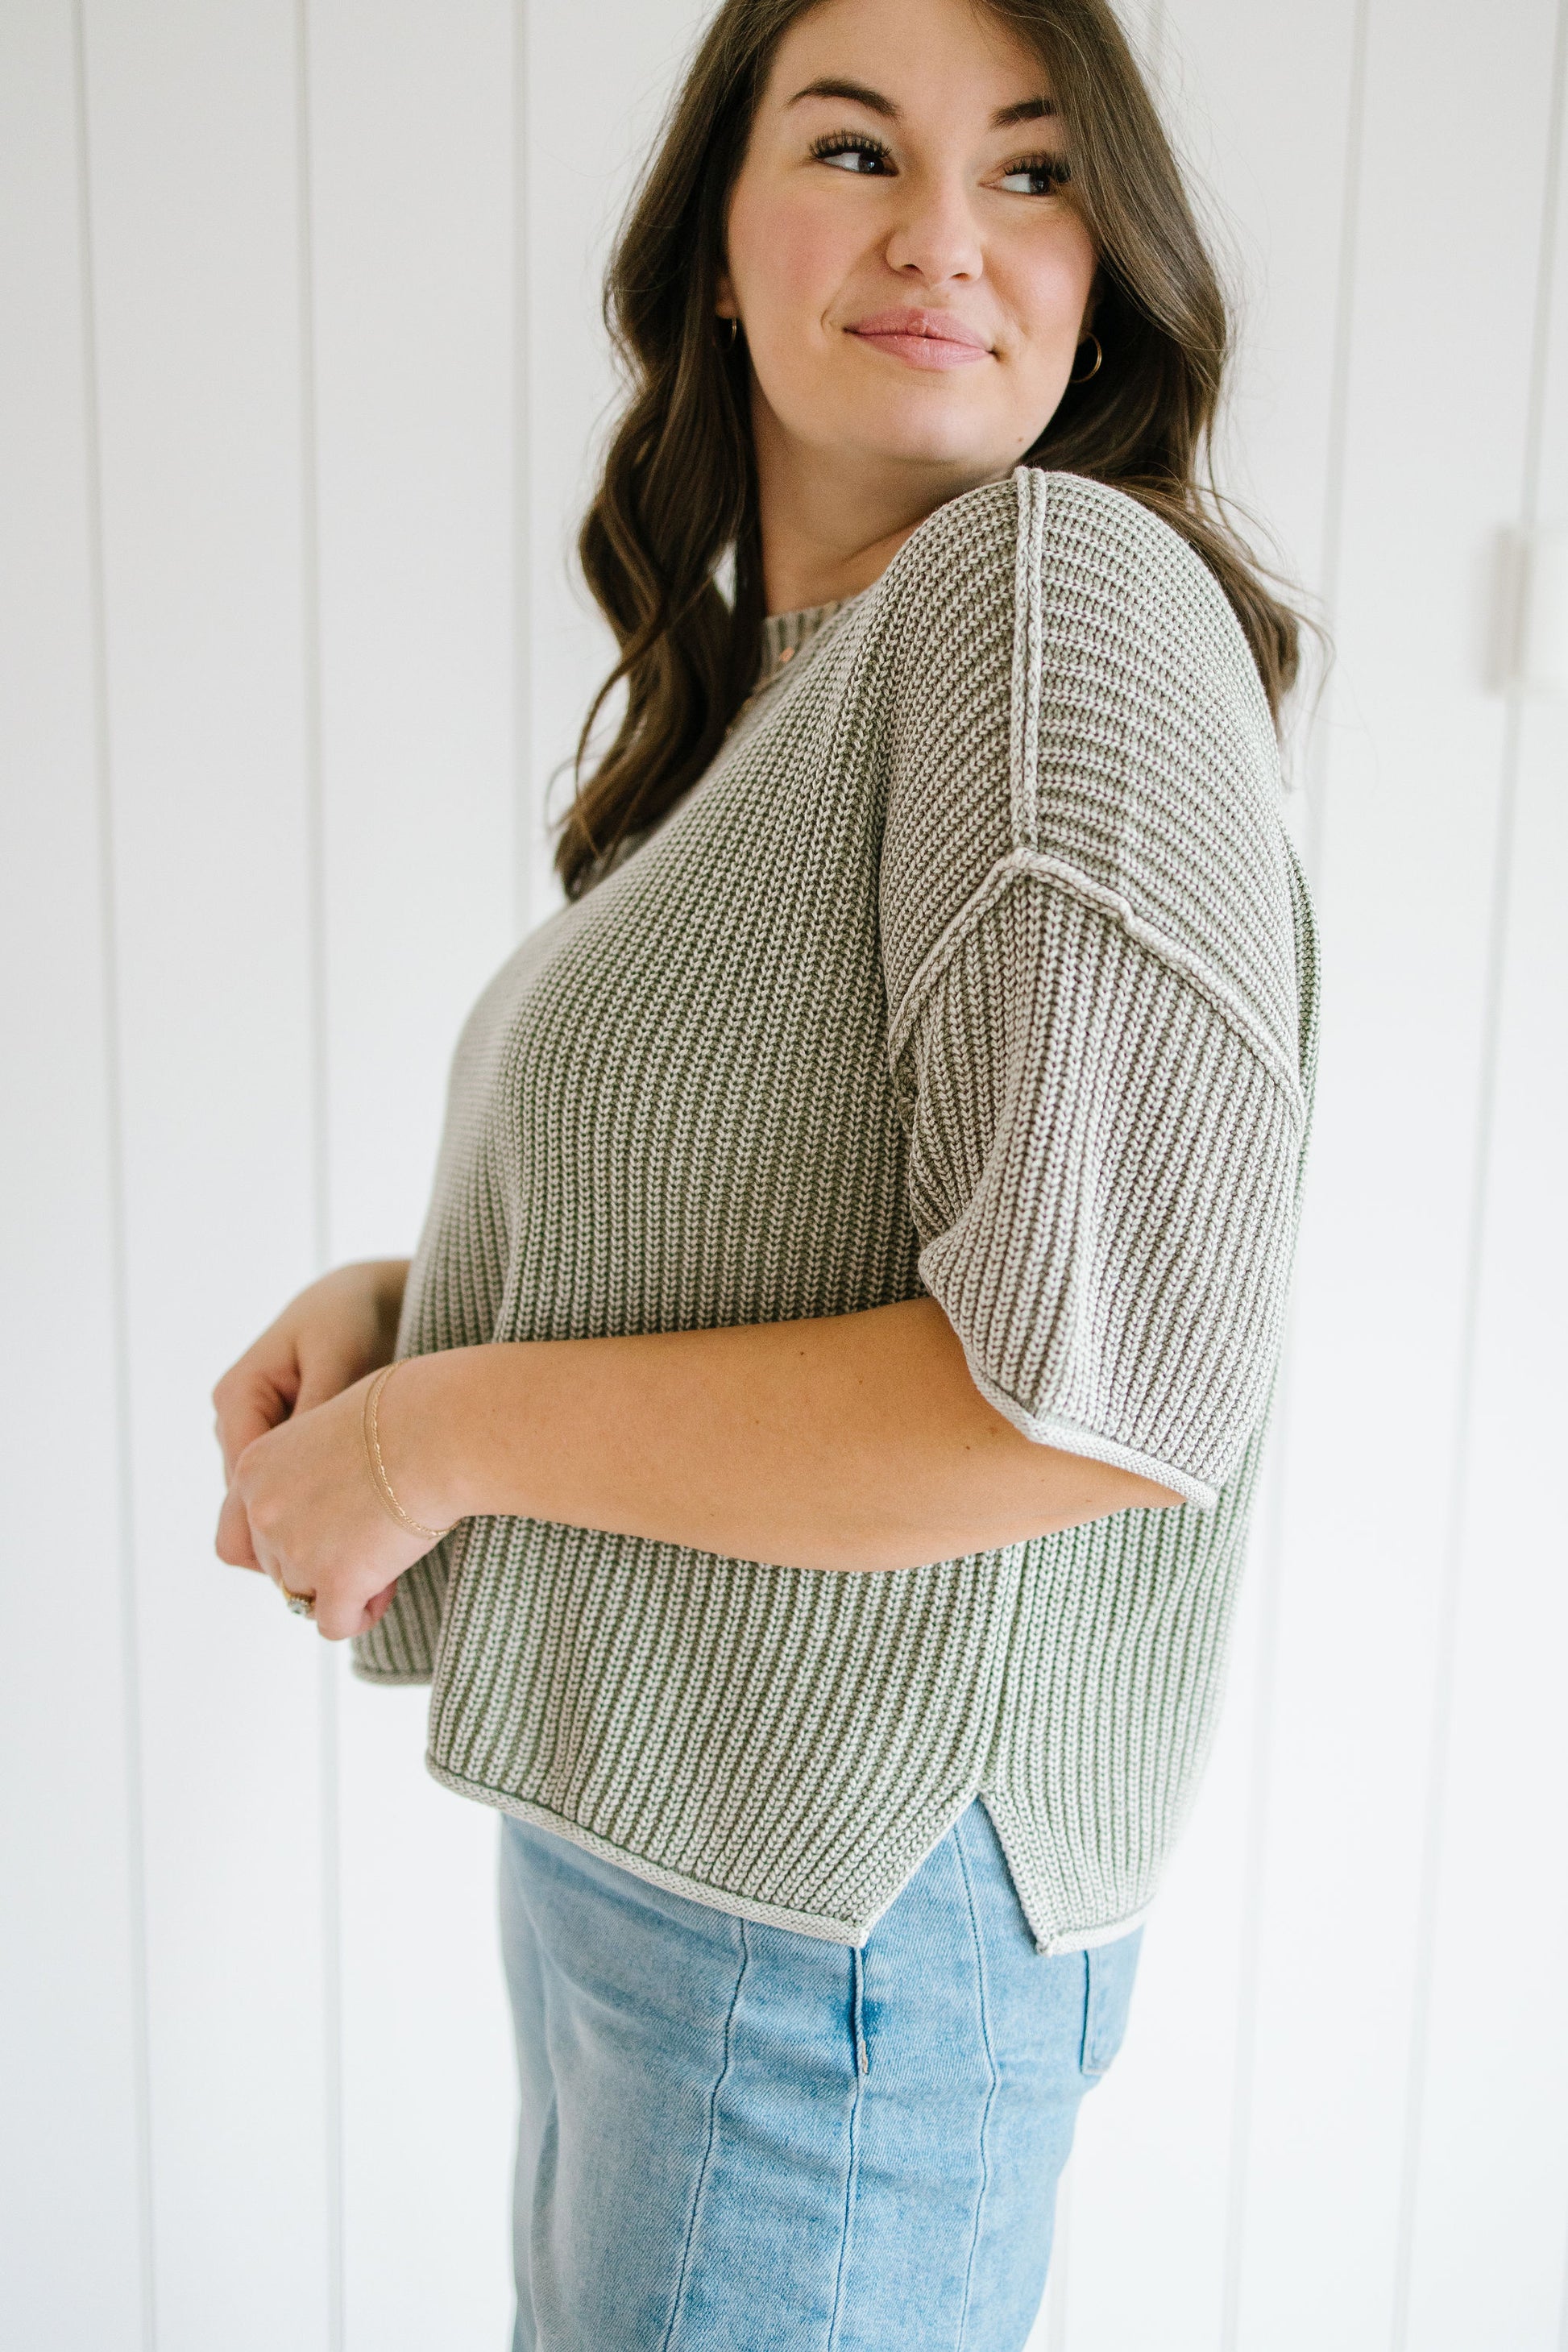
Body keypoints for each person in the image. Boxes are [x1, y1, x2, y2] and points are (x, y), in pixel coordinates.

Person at [212, 0, 1318, 2342]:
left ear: (1103, 258)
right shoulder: (812, 679)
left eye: (1030, 170)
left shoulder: (1046, 587)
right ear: (718, 241)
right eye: (854, 147)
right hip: (696, 1892)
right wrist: (431, 1299)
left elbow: (1077, 1392)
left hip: (827, 1961)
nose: (944, 234)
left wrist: (436, 1436)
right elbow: (847, 1222)